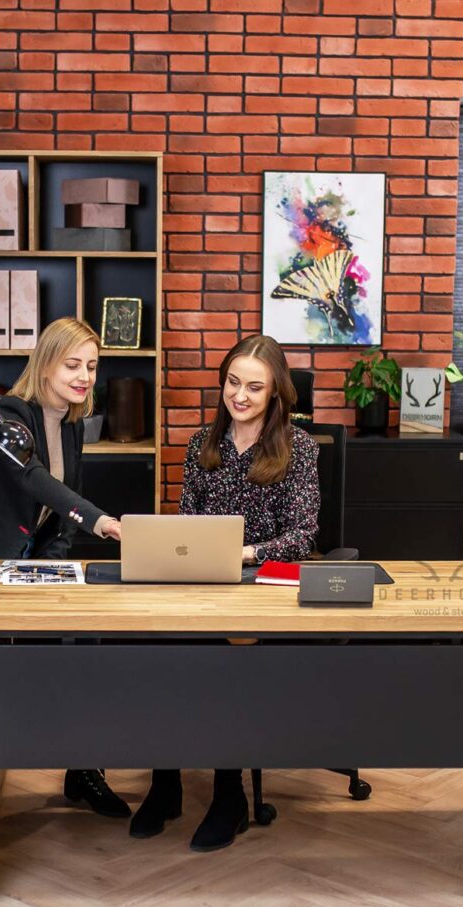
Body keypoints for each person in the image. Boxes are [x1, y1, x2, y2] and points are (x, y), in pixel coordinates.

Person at [129, 334, 319, 851]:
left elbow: (303, 535)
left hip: (260, 584)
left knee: (225, 658)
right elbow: (189, 524)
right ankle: (164, 783)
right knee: (158, 646)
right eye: (233, 383)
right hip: (202, 580)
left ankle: (227, 793)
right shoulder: (201, 445)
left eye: (254, 387)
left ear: (276, 393)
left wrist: (243, 554)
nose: (240, 395)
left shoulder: (297, 448)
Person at [0, 316, 130, 820]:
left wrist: (61, 564)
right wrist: (102, 523)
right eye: (73, 364)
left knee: (86, 645)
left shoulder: (71, 425)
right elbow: (35, 481)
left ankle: (84, 768)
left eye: (91, 366)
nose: (84, 376)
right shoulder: (7, 414)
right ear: (45, 363)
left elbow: (59, 514)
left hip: (30, 568)